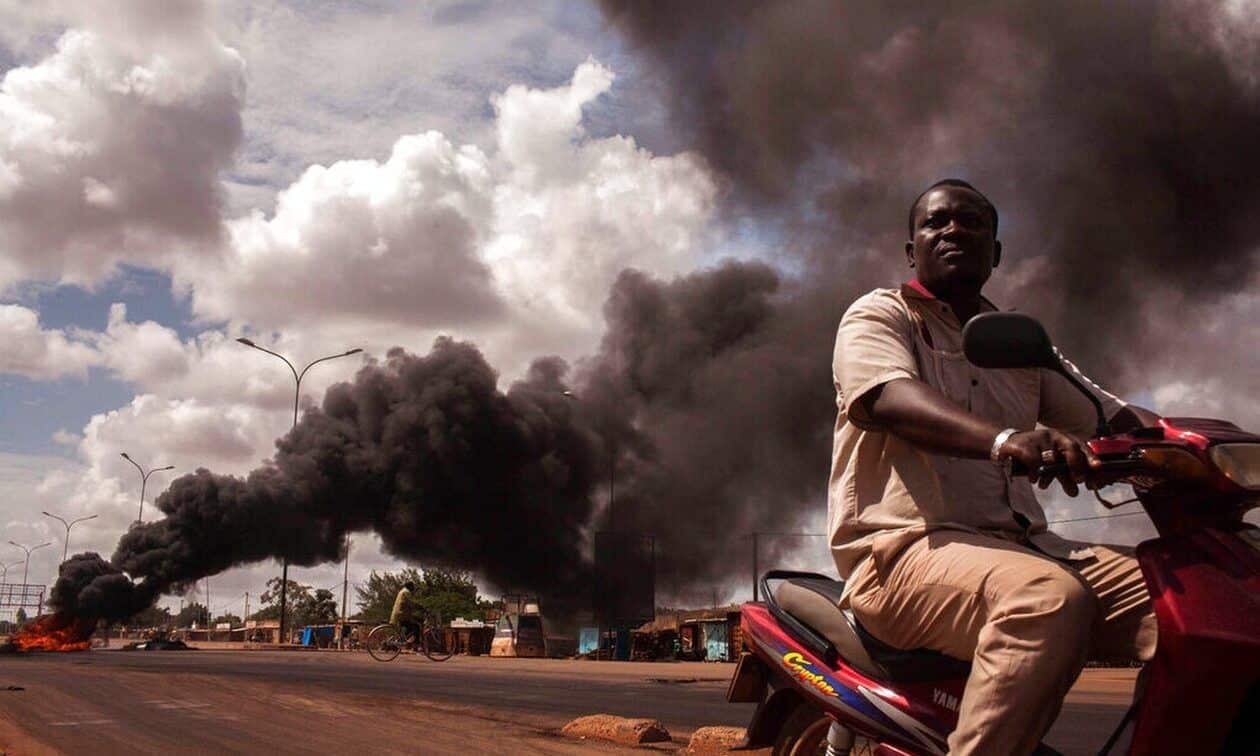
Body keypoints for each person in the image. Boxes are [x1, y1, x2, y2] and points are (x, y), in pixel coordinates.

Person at [829, 179, 1159, 755]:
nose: (954, 230)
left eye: (972, 223)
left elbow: (1113, 417)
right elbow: (891, 398)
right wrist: (1007, 438)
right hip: (902, 552)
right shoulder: (881, 315)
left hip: (1028, 546)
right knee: (1047, 600)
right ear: (912, 250)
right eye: (936, 223)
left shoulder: (1017, 343)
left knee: (1189, 599)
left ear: (996, 252)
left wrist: (1197, 445)